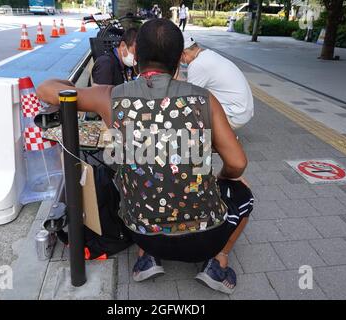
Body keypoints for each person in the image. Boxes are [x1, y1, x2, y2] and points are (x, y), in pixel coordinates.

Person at [37, 19, 253, 294]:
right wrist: (224, 179)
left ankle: (146, 257)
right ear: (179, 60)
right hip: (204, 238)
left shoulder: (111, 97)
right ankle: (217, 261)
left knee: (135, 177)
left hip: (139, 231)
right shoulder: (204, 100)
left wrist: (75, 89)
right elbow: (237, 163)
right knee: (244, 193)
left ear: (135, 56)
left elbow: (46, 89)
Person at [181, 37, 254, 129]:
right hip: (242, 111)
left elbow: (189, 97)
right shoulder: (208, 54)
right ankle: (222, 134)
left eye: (180, 59)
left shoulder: (198, 64)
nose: (181, 62)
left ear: (183, 54)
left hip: (233, 115)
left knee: (185, 111)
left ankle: (220, 138)